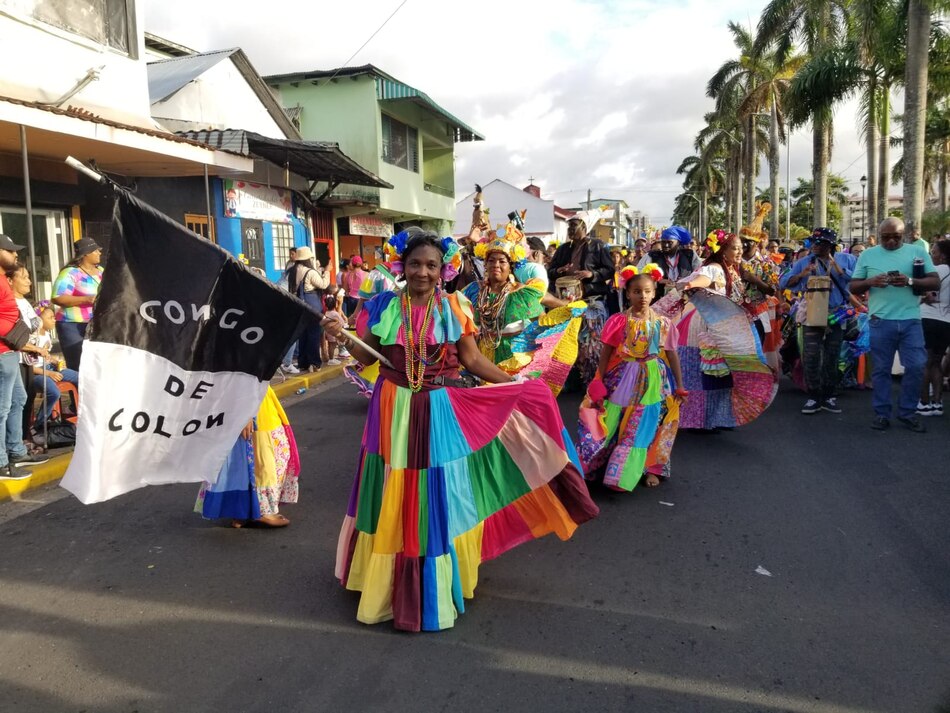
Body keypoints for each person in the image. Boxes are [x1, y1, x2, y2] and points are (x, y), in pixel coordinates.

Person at [324, 229, 598, 632]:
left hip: (438, 409)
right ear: (402, 266)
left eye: (431, 265)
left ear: (443, 269)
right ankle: (380, 576)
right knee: (389, 486)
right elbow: (367, 354)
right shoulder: (385, 304)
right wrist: (341, 337)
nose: (422, 272)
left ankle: (431, 578)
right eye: (415, 264)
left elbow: (470, 360)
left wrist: (512, 385)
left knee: (436, 490)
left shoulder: (455, 306)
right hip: (391, 409)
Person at [578, 264, 686, 492]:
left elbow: (671, 354)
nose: (642, 296)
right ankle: (599, 466)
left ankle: (646, 469)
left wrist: (680, 385)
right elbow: (606, 352)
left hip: (653, 379)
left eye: (647, 291)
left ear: (655, 291)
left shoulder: (664, 323)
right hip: (621, 376)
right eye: (637, 291)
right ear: (628, 294)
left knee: (647, 424)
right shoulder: (617, 321)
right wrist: (598, 379)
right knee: (611, 418)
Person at [850, 217, 939, 431]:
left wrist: (909, 281)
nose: (890, 241)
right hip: (880, 321)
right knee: (881, 369)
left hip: (911, 320)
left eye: (896, 237)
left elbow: (935, 281)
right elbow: (853, 286)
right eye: (886, 237)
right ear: (879, 235)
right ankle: (882, 414)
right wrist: (871, 282)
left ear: (904, 235)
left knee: (917, 366)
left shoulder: (917, 252)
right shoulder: (868, 255)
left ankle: (907, 412)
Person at [196, 387, 300, 528]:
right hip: (253, 406)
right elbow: (245, 374)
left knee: (238, 457)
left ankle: (241, 511)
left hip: (239, 403)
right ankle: (262, 510)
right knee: (266, 457)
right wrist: (246, 413)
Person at [778, 227, 856, 414]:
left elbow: (857, 280)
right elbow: (783, 283)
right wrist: (802, 274)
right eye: (813, 242)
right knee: (811, 356)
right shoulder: (804, 261)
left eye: (820, 243)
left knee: (832, 356)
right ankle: (814, 396)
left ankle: (828, 395)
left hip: (836, 315)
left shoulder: (846, 259)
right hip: (811, 314)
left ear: (831, 245)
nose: (815, 246)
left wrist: (839, 269)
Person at [463, 231, 544, 368]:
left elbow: (542, 321)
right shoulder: (474, 290)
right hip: (483, 353)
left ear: (510, 266)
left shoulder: (521, 293)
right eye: (491, 260)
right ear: (485, 265)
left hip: (514, 353)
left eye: (502, 261)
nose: (496, 265)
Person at [0, 235, 45, 479]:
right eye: (10, 250)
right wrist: (13, 333)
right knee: (2, 407)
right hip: (4, 350)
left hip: (10, 352)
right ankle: (1, 461)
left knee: (18, 400)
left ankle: (16, 450)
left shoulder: (3, 281)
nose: (16, 255)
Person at [24, 304, 78, 438]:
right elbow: (29, 365)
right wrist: (48, 374)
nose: (54, 320)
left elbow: (46, 357)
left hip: (50, 369)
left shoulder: (47, 336)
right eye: (50, 317)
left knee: (81, 378)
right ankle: (40, 424)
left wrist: (55, 361)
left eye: (54, 317)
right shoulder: (31, 338)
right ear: (38, 319)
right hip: (37, 373)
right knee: (54, 392)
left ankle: (78, 411)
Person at [51, 237, 102, 371]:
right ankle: (78, 391)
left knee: (96, 365)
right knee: (78, 364)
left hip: (95, 324)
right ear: (86, 253)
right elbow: (57, 297)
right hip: (72, 324)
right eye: (96, 251)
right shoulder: (71, 272)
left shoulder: (101, 271)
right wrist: (87, 299)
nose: (99, 253)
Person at [547, 210, 615, 300]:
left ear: (584, 228)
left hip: (592, 297)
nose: (570, 229)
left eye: (574, 225)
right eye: (569, 225)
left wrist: (592, 274)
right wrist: (558, 270)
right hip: (566, 298)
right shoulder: (562, 249)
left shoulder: (598, 246)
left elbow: (609, 270)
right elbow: (550, 272)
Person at [917, 238, 950, 416]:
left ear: (942, 256)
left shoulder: (935, 271)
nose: (932, 255)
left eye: (934, 252)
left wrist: (922, 298)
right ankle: (937, 403)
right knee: (937, 362)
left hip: (928, 319)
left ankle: (923, 402)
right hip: (946, 323)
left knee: (924, 362)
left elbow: (923, 294)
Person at [285, 246, 329, 372]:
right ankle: (314, 362)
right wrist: (326, 272)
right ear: (308, 259)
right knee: (314, 333)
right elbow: (323, 284)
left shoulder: (292, 271)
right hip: (312, 306)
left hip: (298, 305)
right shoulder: (310, 272)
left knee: (302, 334)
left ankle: (303, 362)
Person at [638, 225, 702, 300]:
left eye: (670, 242)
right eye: (663, 242)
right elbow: (638, 276)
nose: (666, 245)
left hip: (686, 300)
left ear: (678, 242)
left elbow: (700, 274)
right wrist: (657, 281)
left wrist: (685, 281)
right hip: (659, 300)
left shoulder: (690, 255)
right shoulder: (652, 256)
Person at [322, 294, 346, 366]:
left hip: (327, 331)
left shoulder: (326, 313)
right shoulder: (335, 314)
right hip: (334, 332)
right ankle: (331, 359)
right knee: (333, 345)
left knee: (330, 345)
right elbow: (341, 322)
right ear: (335, 304)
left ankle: (331, 358)